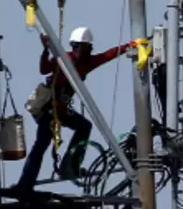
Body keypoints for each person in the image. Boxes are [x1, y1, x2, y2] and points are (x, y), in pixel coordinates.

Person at [13, 27, 133, 191]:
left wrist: (130, 45)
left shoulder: (88, 62)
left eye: (78, 46)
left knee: (84, 126)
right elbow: (44, 69)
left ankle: (69, 168)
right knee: (41, 145)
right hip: (50, 111)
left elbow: (109, 54)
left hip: (62, 111)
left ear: (87, 47)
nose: (75, 49)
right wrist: (46, 50)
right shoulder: (64, 58)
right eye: (73, 46)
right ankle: (25, 184)